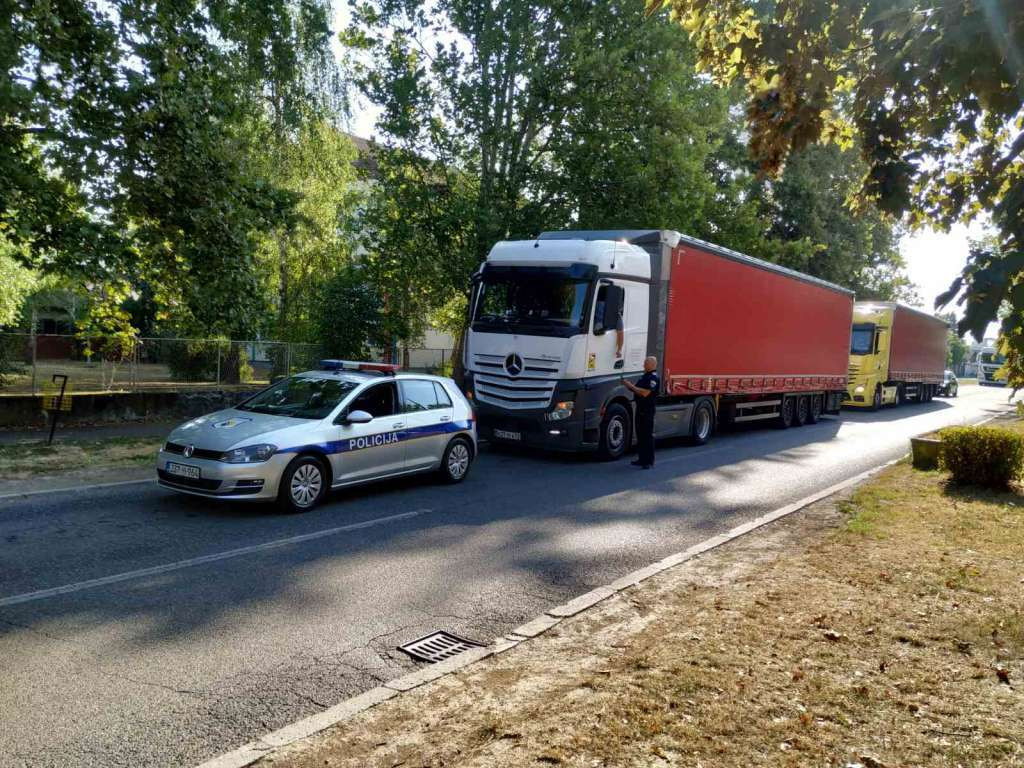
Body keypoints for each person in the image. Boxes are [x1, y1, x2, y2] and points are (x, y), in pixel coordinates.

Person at [623, 356, 659, 468]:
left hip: (647, 410)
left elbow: (645, 393)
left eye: (646, 363)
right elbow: (637, 390)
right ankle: (642, 458)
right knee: (640, 434)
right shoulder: (645, 376)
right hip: (641, 409)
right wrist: (628, 385)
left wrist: (631, 386)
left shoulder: (653, 378)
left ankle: (648, 461)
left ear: (652, 365)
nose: (644, 365)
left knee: (647, 435)